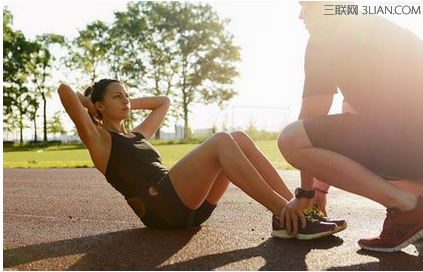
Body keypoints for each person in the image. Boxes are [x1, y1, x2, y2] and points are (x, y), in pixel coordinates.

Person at [58, 79, 343, 239]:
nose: (125, 101)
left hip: (190, 208)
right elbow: (64, 91)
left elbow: (164, 101)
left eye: (127, 96)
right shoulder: (101, 142)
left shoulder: (138, 134)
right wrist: (89, 107)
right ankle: (287, 214)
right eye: (117, 97)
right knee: (220, 141)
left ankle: (298, 211)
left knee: (239, 138)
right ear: (98, 105)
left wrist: (127, 101)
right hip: (162, 207)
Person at [278, 1, 423, 253]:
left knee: (289, 139)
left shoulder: (326, 34)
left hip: (410, 140)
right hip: (412, 144)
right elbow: (347, 122)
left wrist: (305, 194)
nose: (301, 15)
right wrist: (321, 189)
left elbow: (308, 122)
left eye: (306, 5)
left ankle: (408, 208)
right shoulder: (376, 28)